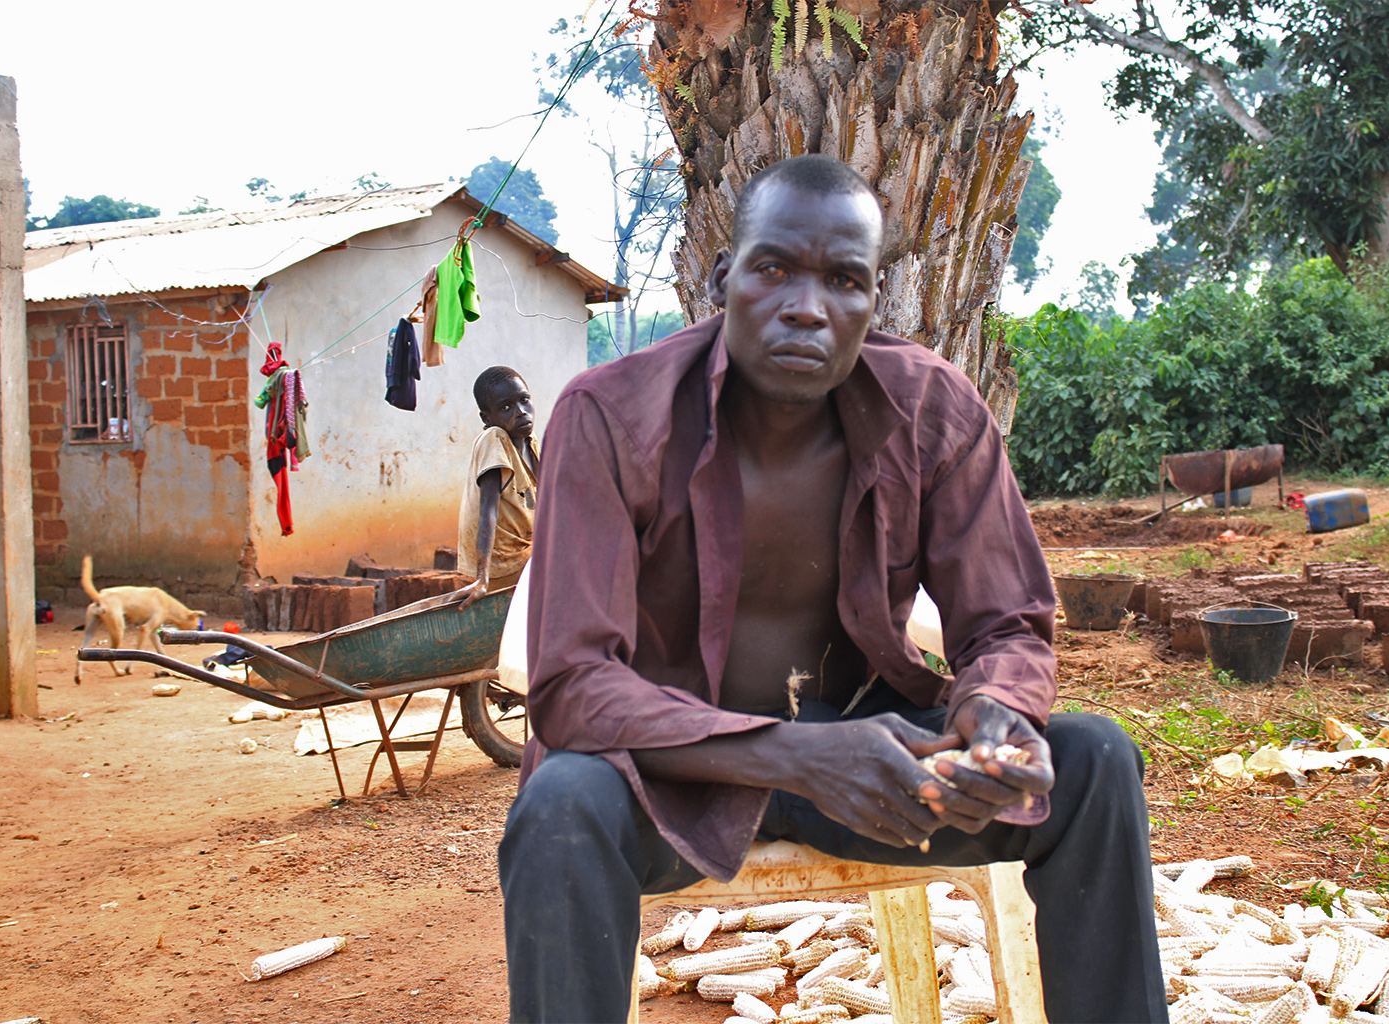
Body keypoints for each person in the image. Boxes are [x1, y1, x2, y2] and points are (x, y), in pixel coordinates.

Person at [499, 155, 1166, 1024]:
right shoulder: (612, 417)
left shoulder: (932, 409)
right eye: (774, 267)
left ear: (871, 300)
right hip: (676, 770)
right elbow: (572, 687)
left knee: (1095, 762)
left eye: (844, 280)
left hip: (874, 760)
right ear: (723, 278)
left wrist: (997, 716)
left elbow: (1006, 624)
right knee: (559, 806)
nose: (808, 306)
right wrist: (798, 756)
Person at [454, 366, 539, 608]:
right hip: (504, 564)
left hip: (527, 556)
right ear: (487, 418)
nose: (521, 412)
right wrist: (482, 579)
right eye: (506, 407)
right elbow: (487, 510)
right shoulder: (494, 438)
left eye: (524, 400)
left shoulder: (530, 443)